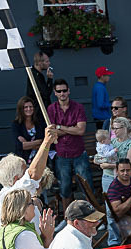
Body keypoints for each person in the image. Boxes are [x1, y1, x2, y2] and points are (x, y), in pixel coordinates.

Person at [47, 79, 90, 212]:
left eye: (64, 90)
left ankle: (91, 215)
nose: (62, 93)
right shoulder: (51, 109)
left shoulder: (78, 107)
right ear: (55, 93)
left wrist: (60, 127)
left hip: (78, 153)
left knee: (86, 186)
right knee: (65, 188)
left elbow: (81, 130)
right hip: (62, 154)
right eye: (59, 91)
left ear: (69, 91)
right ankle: (68, 217)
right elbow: (52, 132)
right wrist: (72, 128)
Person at [102, 96, 131, 169]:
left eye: (116, 108)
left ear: (124, 109)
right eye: (111, 108)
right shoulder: (108, 123)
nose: (113, 110)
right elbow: (103, 141)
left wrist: (129, 151)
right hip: (112, 161)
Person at [106, 159, 131, 247]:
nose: (125, 173)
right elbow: (117, 212)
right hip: (125, 217)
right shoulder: (114, 188)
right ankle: (114, 243)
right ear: (117, 171)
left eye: (128, 170)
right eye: (122, 171)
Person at [108, 117, 131, 190]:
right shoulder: (111, 141)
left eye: (116, 128)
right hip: (108, 175)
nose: (114, 131)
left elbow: (127, 164)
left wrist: (107, 165)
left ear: (124, 128)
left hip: (123, 177)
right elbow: (100, 156)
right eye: (113, 128)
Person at [12, 97, 45, 164]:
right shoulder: (16, 124)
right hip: (22, 161)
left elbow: (42, 142)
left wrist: (27, 143)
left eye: (31, 107)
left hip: (39, 159)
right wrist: (35, 143)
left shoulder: (39, 122)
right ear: (21, 109)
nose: (29, 109)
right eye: (25, 107)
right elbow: (20, 146)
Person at [93, 129, 118, 193]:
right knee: (115, 164)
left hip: (103, 159)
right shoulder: (104, 146)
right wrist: (114, 150)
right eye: (109, 139)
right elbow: (107, 154)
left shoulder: (102, 144)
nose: (110, 140)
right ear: (103, 141)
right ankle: (115, 177)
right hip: (106, 158)